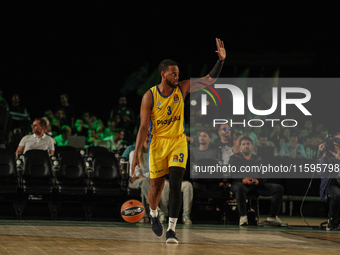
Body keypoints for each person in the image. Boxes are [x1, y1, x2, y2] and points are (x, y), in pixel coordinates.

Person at [131, 38, 226, 243]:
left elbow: (209, 80)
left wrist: (221, 61)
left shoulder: (182, 88)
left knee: (175, 184)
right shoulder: (150, 96)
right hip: (158, 143)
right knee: (155, 188)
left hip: (178, 141)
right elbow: (142, 128)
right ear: (163, 73)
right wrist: (137, 155)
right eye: (173, 72)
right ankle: (154, 214)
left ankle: (172, 229)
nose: (177, 75)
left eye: (178, 72)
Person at [229, 136, 287, 226]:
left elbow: (264, 175)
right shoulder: (234, 158)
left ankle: (272, 217)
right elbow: (231, 173)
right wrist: (242, 179)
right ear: (240, 147)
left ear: (252, 146)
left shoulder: (258, 159)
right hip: (240, 184)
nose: (246, 146)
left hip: (255, 185)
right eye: (243, 144)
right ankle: (243, 217)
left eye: (248, 144)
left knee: (279, 188)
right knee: (239, 187)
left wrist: (258, 181)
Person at [129, 135, 169, 223]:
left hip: (149, 182)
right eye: (145, 137)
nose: (147, 138)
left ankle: (144, 216)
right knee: (145, 182)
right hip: (135, 180)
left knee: (146, 186)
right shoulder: (134, 153)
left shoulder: (154, 154)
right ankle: (158, 209)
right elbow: (136, 173)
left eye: (149, 137)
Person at [319, 133, 340, 231]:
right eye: (335, 140)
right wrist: (324, 155)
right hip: (331, 183)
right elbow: (322, 172)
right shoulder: (326, 155)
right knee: (337, 194)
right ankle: (333, 220)